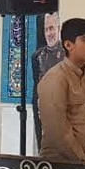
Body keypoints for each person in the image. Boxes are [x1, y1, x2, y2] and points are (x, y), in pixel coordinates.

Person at [36, 18, 85, 169]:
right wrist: (83, 164)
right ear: (68, 45)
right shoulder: (55, 78)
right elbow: (57, 130)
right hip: (58, 166)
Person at [31, 12, 65, 145]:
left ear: (58, 28)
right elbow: (36, 85)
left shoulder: (69, 54)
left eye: (51, 28)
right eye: (46, 30)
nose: (49, 33)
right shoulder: (37, 56)